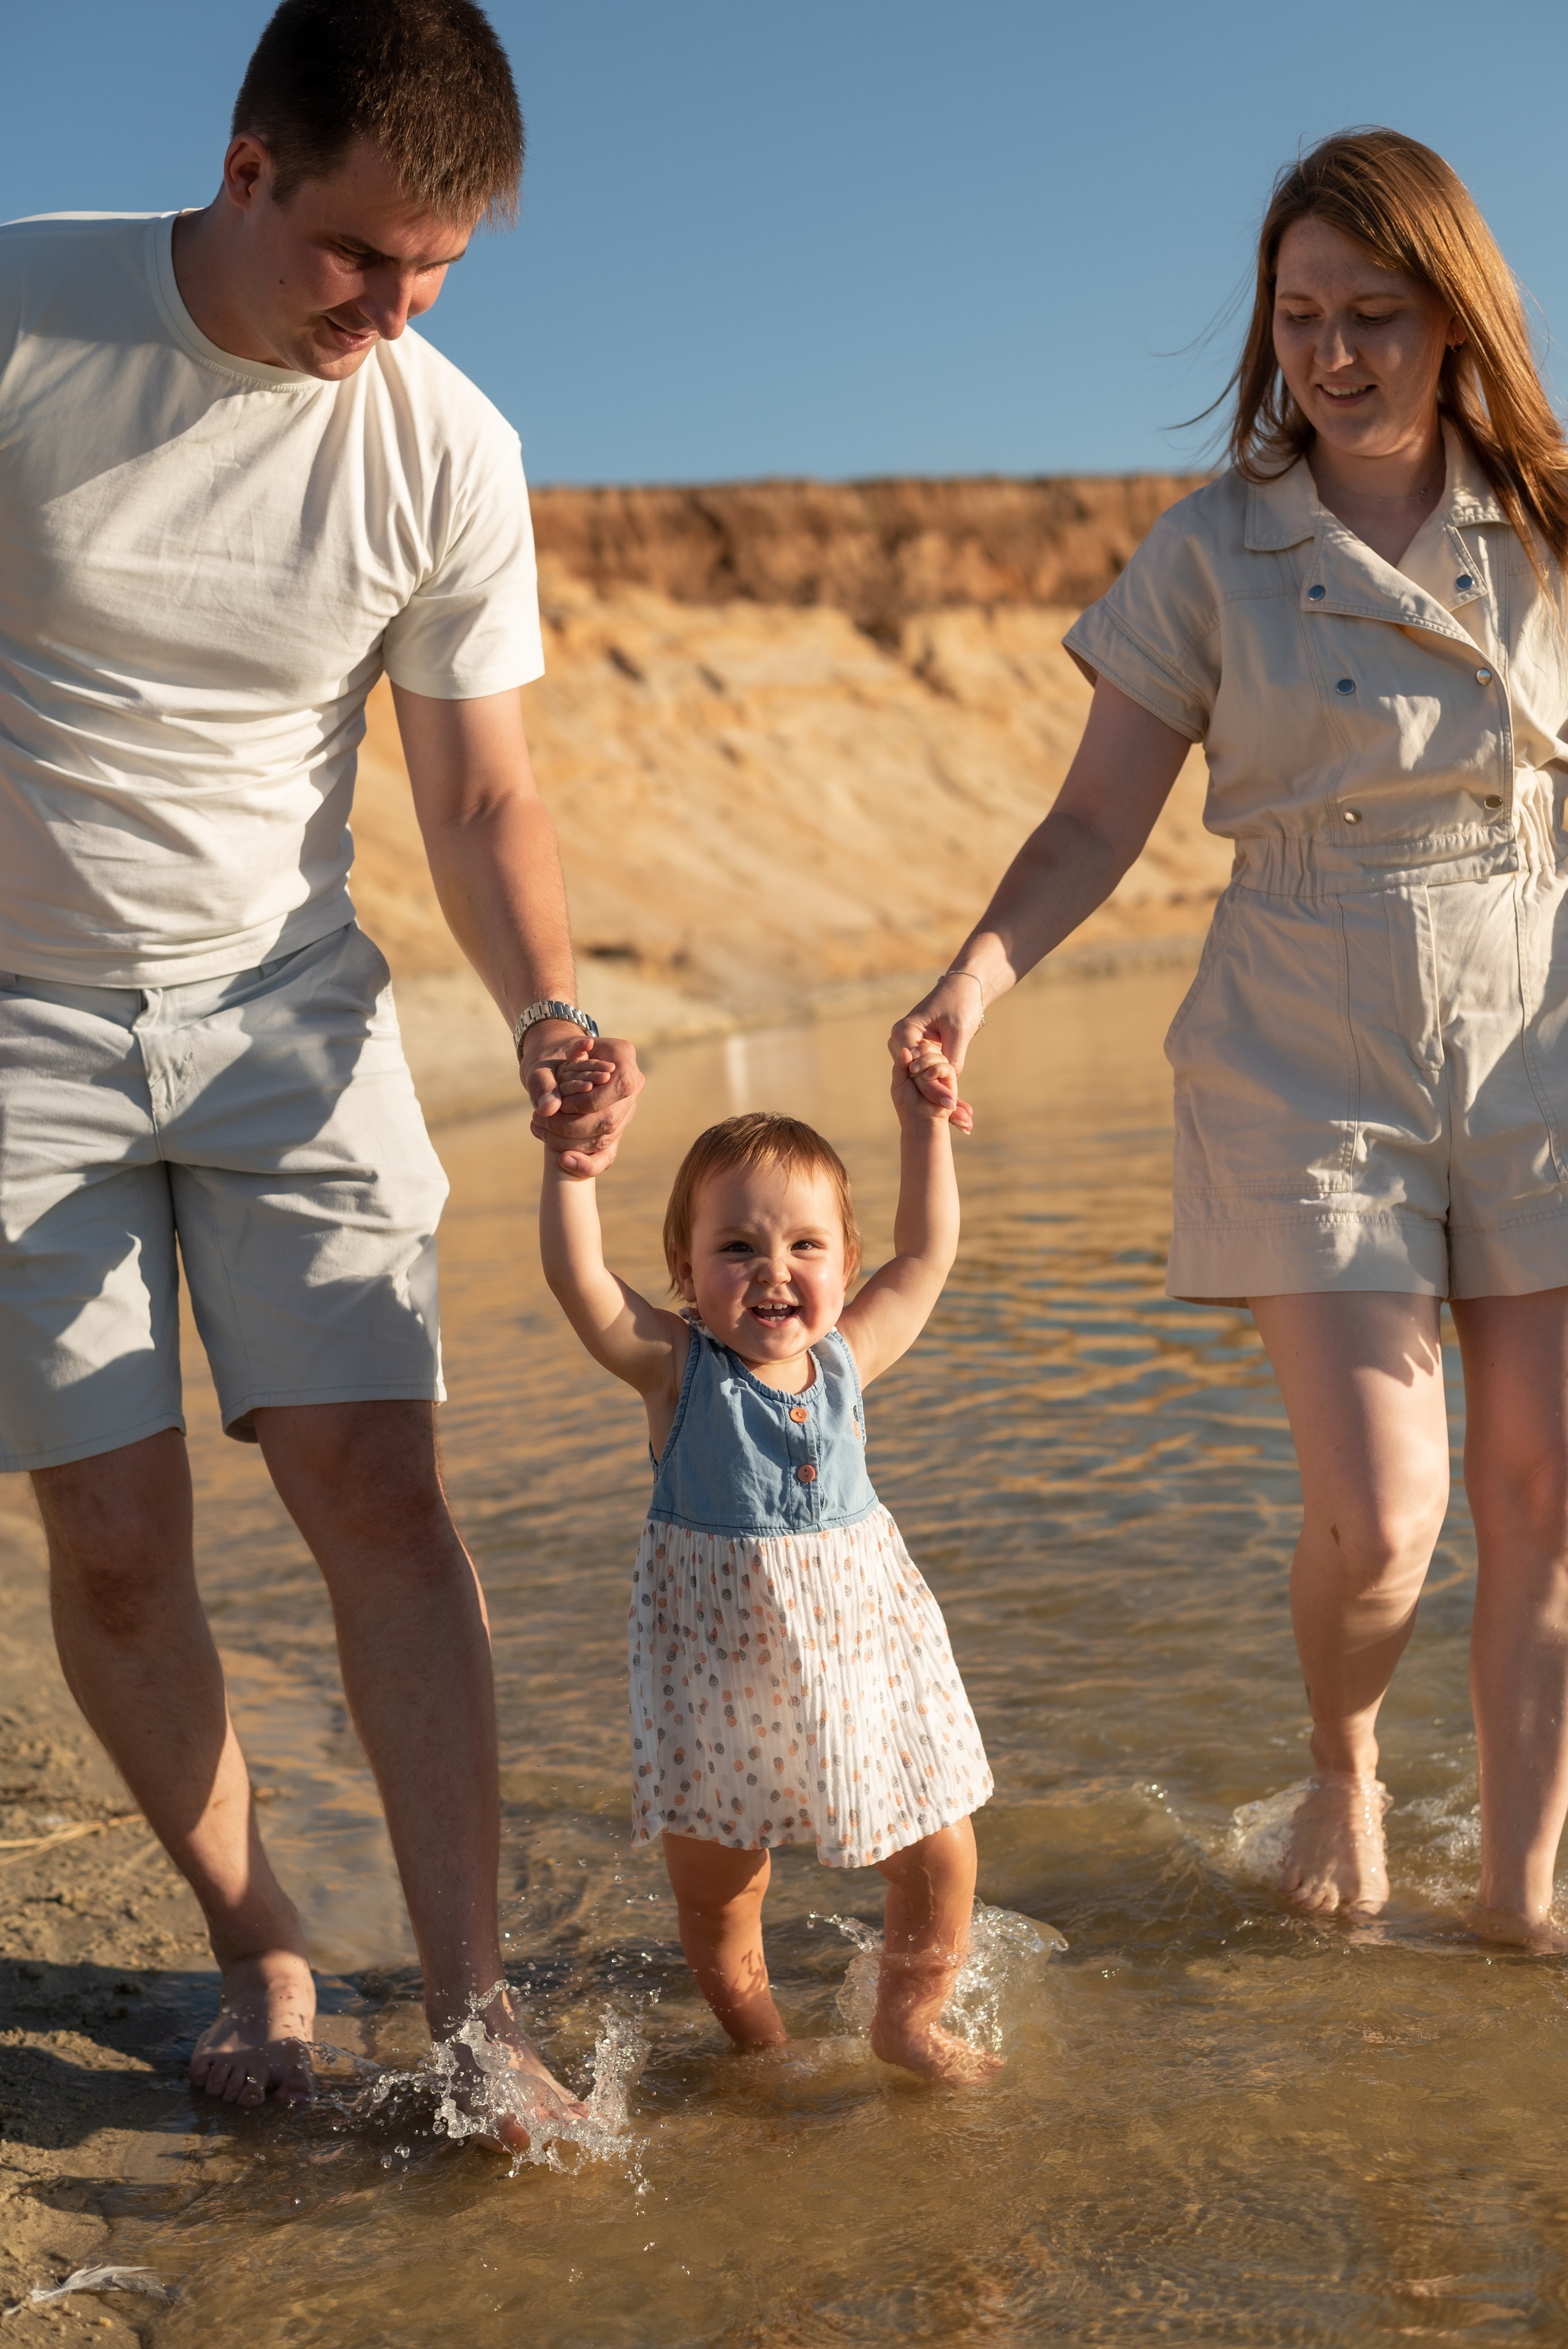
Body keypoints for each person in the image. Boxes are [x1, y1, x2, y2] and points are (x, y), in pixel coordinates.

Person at [0, 0, 641, 2142]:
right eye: (364, 257)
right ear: (247, 169)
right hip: (19, 1033)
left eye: (443, 268)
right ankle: (260, 1933)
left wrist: (544, 1003)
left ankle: (473, 2012)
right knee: (111, 1537)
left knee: (383, 1484)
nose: (396, 308)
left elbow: (477, 799)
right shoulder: (26, 311)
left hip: (288, 1010)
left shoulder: (448, 442)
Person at [892, 129, 1568, 1945]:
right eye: (1297, 318)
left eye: (1372, 315)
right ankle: (1343, 1753)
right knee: (1390, 1513)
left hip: (1542, 1038)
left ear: (1458, 321)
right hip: (1300, 1044)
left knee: (1546, 1499)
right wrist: (977, 975)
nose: (1331, 356)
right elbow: (1094, 823)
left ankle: (1522, 1905)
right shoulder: (1213, 551)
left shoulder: (1556, 529)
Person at [536, 1054, 997, 2079]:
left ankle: (908, 2021)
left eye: (804, 1245)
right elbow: (578, 1283)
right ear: (687, 1268)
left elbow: (927, 1252)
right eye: (737, 1247)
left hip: (859, 1662)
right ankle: (765, 2051)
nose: (774, 1268)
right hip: (718, 1681)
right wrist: (573, 1173)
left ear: (844, 1260)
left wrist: (923, 1129)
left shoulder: (848, 1360)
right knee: (720, 1889)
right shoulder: (674, 1371)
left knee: (939, 1848)